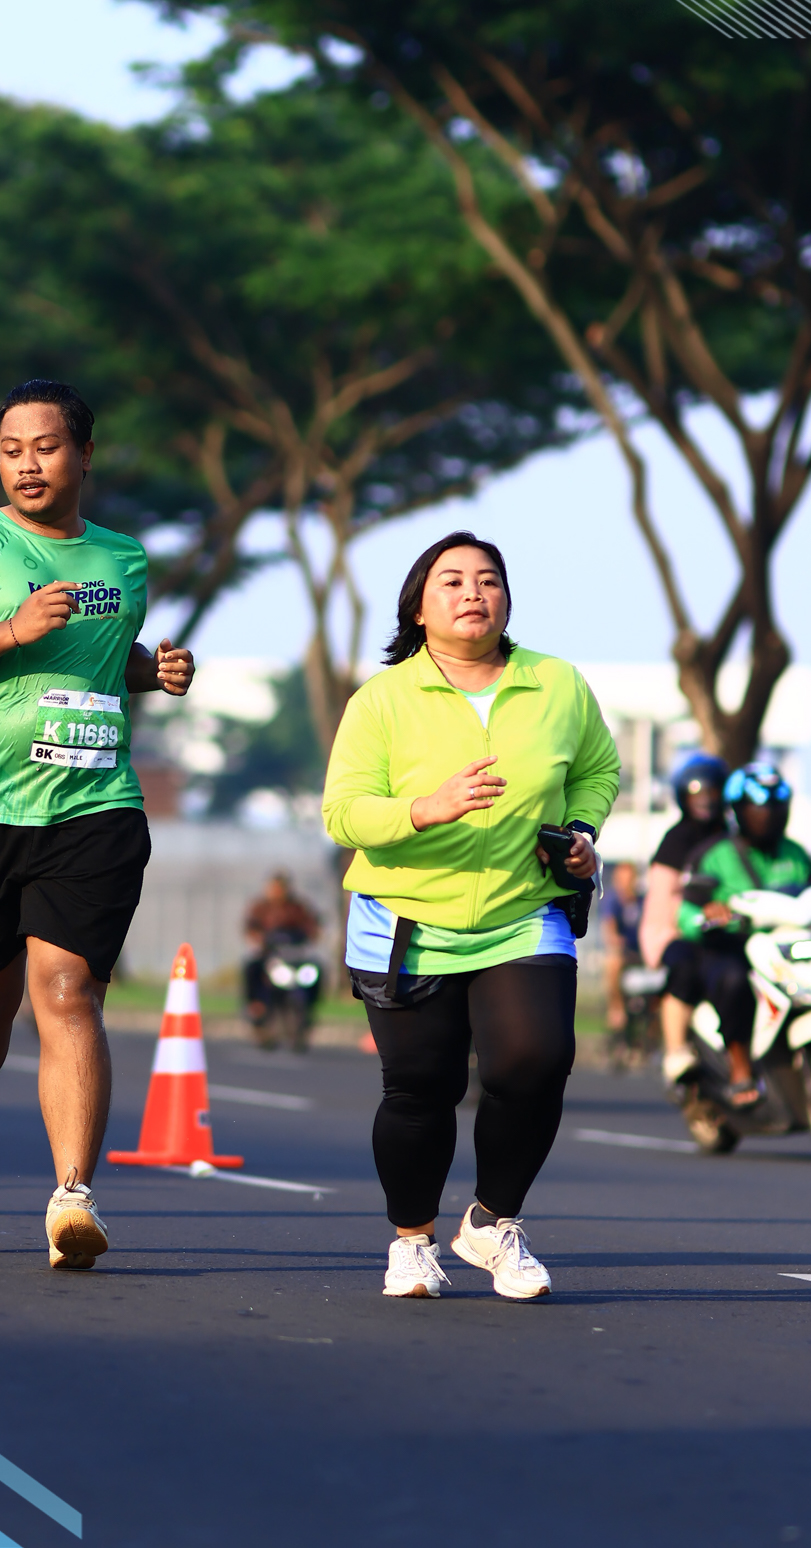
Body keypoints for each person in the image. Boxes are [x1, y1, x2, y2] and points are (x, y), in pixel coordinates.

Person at [0, 378, 195, 1271]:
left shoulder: (123, 559)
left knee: (67, 991)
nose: (28, 464)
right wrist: (11, 630)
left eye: (47, 447)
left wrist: (154, 671)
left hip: (94, 803)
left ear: (85, 455)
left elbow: (103, 658)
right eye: (12, 449)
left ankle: (72, 1197)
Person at [322, 531, 619, 1301]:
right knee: (422, 1086)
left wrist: (580, 831)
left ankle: (492, 1221)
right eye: (451, 581)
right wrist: (426, 808)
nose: (472, 593)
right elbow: (343, 812)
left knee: (535, 1061)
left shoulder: (556, 683)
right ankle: (412, 1241)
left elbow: (598, 768)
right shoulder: (383, 698)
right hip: (407, 918)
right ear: (419, 608)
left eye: (488, 580)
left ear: (507, 600)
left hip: (524, 908)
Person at [659, 762, 811, 1106]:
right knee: (732, 981)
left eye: (777, 807)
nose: (769, 816)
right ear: (739, 810)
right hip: (731, 946)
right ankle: (740, 1066)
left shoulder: (797, 854)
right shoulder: (712, 855)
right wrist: (707, 914)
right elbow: (686, 912)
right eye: (759, 808)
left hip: (787, 944)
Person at [637, 754, 728, 1003]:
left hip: (722, 932)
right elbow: (662, 901)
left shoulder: (731, 838)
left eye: (712, 793)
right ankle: (675, 1030)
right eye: (696, 794)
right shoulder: (676, 839)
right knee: (685, 970)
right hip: (674, 933)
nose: (705, 801)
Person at [242, 872, 321, 1028]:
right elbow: (251, 927)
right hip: (269, 955)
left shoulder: (297, 907)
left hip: (295, 956)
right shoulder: (260, 908)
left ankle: (310, 1007)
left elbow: (312, 925)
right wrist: (259, 939)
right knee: (251, 968)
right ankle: (256, 1006)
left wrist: (311, 935)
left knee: (316, 970)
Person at [600, 860, 643, 1054]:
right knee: (613, 961)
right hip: (625, 953)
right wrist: (617, 941)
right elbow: (609, 929)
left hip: (642, 952)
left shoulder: (642, 901)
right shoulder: (612, 900)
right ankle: (616, 1007)